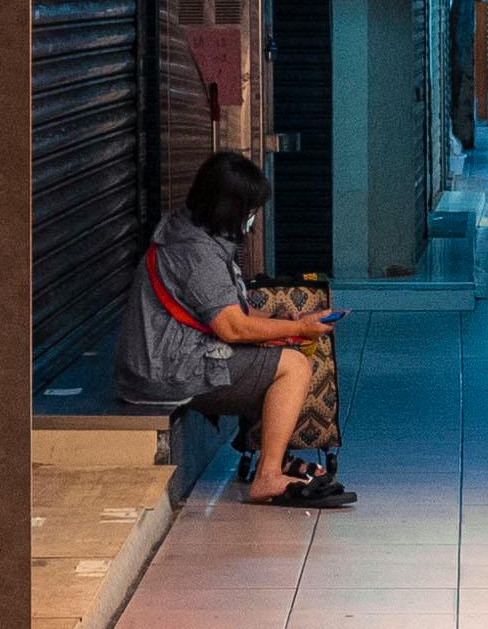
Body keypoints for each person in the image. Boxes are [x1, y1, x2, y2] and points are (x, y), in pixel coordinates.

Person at [127, 150, 352, 509]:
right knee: (293, 366)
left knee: (275, 352)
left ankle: (273, 460)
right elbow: (232, 327)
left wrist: (289, 328)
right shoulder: (197, 253)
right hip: (168, 370)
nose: (253, 218)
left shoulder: (189, 230)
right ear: (229, 208)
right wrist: (296, 327)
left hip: (164, 361)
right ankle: (268, 476)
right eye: (250, 210)